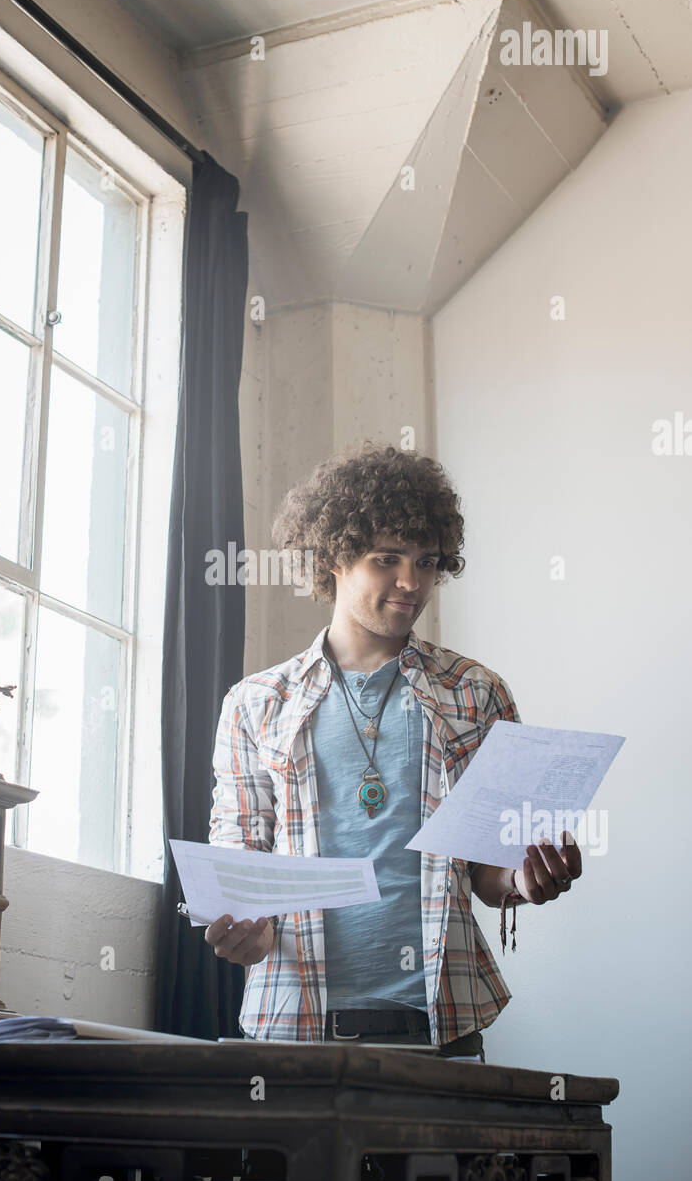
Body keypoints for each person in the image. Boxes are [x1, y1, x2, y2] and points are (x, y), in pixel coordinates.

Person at [204, 442, 581, 1062]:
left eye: (427, 561)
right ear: (333, 559)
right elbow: (241, 868)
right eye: (387, 560)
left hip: (444, 1028)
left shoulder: (477, 693)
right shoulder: (254, 704)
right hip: (293, 1030)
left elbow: (492, 874)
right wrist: (246, 930)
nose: (412, 583)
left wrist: (528, 878)